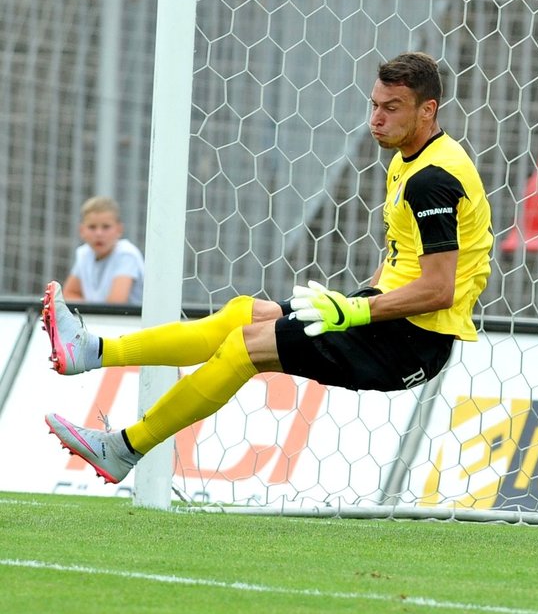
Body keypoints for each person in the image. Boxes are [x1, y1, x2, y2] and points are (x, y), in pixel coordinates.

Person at [43, 52, 494, 484]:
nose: (376, 119)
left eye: (391, 108)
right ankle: (93, 351)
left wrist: (356, 313)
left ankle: (124, 447)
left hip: (414, 341)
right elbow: (403, 254)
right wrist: (358, 298)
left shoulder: (433, 179)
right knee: (244, 312)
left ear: (427, 109)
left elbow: (440, 289)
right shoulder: (407, 161)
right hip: (387, 317)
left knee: (245, 347)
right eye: (374, 105)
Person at [63, 196, 145, 305]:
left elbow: (115, 305)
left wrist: (86, 309)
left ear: (119, 229)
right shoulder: (84, 254)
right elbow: (69, 293)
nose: (99, 233)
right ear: (81, 230)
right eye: (92, 227)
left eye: (106, 227)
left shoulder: (126, 255)